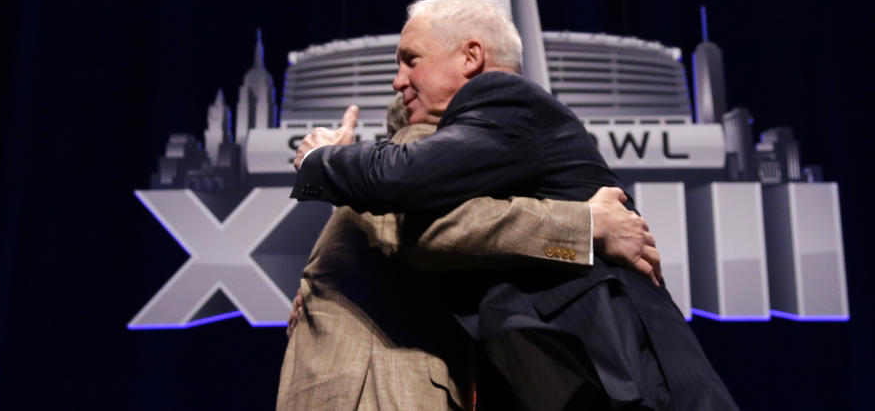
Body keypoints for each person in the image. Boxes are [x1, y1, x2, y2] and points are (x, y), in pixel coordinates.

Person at [293, 0, 738, 410]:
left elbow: (413, 206)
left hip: (622, 375)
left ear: (470, 56)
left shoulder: (502, 100)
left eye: (411, 60)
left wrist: (317, 161)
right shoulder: (477, 142)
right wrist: (588, 227)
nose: (398, 80)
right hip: (577, 377)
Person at [278, 99, 662, 410]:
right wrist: (588, 226)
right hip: (375, 393)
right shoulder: (412, 154)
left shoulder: (376, 189)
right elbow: (441, 230)